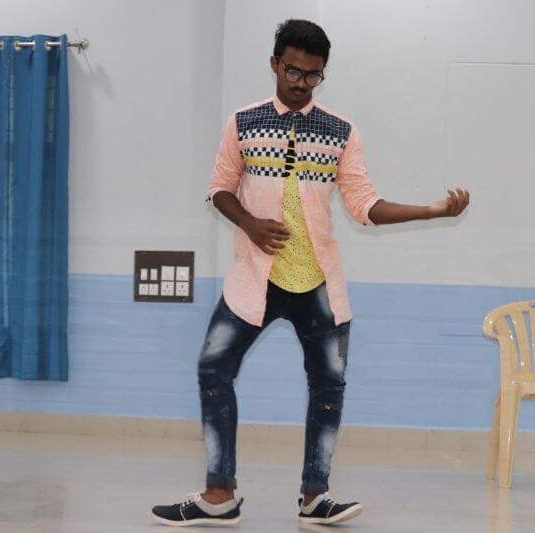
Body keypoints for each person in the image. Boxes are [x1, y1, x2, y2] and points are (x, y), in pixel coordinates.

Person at [152, 18, 470, 527]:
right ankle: (219, 494)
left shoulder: (341, 131)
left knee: (328, 383)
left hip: (318, 283)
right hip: (255, 278)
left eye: (313, 75)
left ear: (323, 73)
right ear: (275, 64)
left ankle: (315, 497)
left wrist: (429, 211)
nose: (301, 83)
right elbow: (218, 188)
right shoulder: (243, 122)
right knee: (213, 367)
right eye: (293, 71)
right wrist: (250, 223)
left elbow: (364, 205)